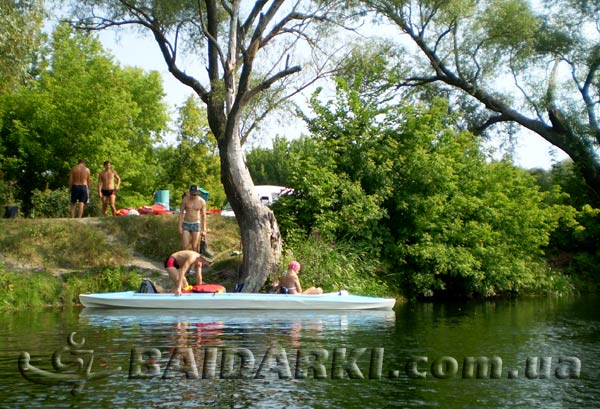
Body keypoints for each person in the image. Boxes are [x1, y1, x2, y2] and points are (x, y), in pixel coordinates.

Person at [179, 185, 207, 253]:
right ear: (190, 192)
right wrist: (179, 226)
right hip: (186, 224)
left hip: (196, 224)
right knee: (185, 246)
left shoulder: (202, 201)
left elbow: (204, 215)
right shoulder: (185, 200)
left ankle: (195, 262)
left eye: (195, 194)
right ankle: (185, 261)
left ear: (197, 193)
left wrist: (204, 229)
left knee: (195, 246)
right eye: (192, 194)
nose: (193, 196)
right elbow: (181, 213)